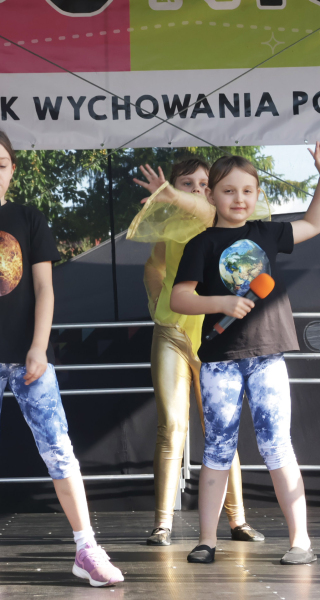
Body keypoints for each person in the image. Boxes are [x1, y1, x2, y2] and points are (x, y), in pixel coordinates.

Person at [0, 123, 123, 590]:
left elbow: (45, 289)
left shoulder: (30, 219)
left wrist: (39, 346)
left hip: (29, 355)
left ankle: (87, 547)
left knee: (58, 447)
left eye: (1, 164)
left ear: (13, 170)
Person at [170, 146, 320, 565]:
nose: (239, 198)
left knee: (278, 445)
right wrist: (220, 302)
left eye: (248, 190)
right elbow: (180, 297)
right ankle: (206, 540)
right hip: (220, 361)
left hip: (268, 356)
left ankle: (300, 541)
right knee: (217, 448)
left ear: (257, 194)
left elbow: (313, 223)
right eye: (229, 190)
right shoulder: (200, 244)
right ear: (211, 195)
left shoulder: (268, 233)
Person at [128, 159, 265, 546]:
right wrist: (156, 301)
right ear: (175, 187)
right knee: (171, 426)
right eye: (187, 183)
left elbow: (205, 211)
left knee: (220, 429)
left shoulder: (217, 220)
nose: (197, 189)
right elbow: (154, 266)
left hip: (212, 339)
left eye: (205, 183)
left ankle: (237, 520)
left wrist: (174, 195)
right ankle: (162, 523)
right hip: (171, 333)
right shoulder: (171, 226)